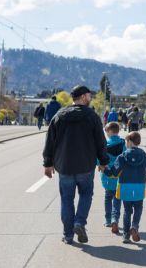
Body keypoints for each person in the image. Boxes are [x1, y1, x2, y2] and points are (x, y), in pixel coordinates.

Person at [42, 86, 108, 245]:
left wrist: (48, 163)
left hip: (64, 165)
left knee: (66, 199)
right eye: (89, 95)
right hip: (85, 165)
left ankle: (68, 234)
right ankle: (79, 223)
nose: (90, 97)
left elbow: (50, 140)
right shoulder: (92, 116)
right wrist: (103, 161)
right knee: (86, 194)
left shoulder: (60, 115)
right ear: (84, 97)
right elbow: (101, 141)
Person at [105, 132, 146, 244]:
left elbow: (114, 173)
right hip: (139, 186)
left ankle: (126, 235)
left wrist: (105, 169)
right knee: (138, 208)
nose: (126, 144)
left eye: (126, 141)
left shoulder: (122, 156)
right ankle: (134, 226)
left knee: (127, 210)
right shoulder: (144, 155)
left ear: (130, 142)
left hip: (125, 187)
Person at [100, 122, 125, 233]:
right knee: (117, 199)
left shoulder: (104, 144)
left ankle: (108, 219)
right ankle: (115, 219)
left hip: (107, 177)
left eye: (106, 131)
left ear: (110, 131)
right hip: (119, 177)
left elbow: (99, 159)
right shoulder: (123, 143)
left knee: (107, 198)